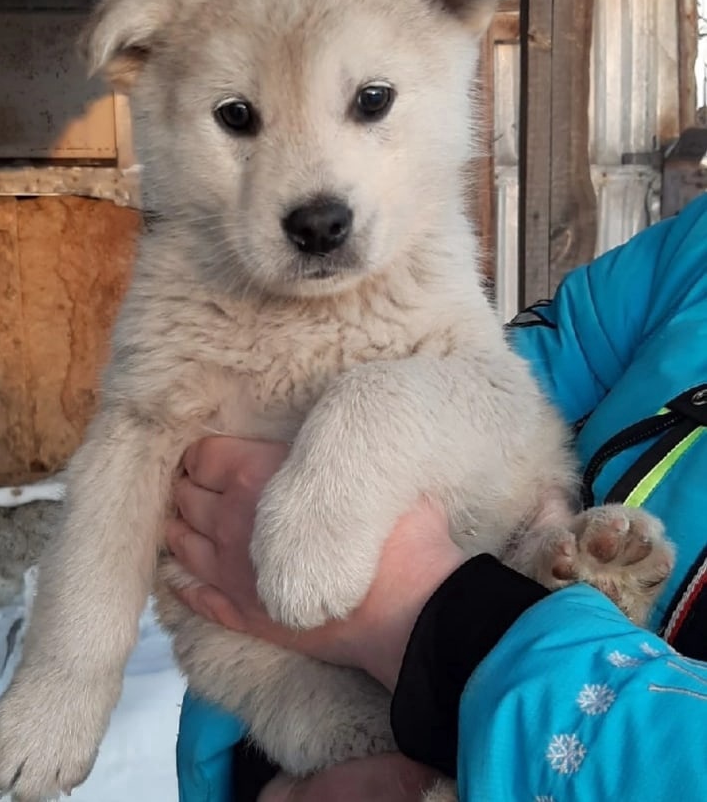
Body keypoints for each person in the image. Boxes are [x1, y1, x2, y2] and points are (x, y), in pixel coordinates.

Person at [168, 191, 707, 801]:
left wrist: (424, 615)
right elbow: (500, 374)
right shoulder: (696, 252)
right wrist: (272, 784)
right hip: (296, 705)